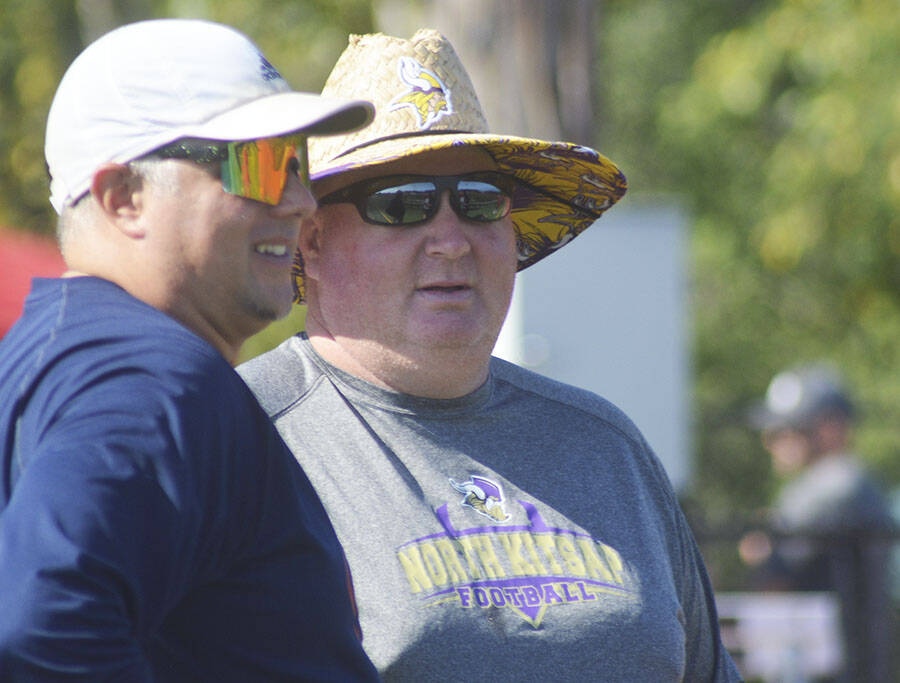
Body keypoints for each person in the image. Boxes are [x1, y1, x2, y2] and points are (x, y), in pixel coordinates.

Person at [239, 29, 740, 681]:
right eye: (401, 203)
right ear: (310, 239)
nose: (450, 238)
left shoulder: (607, 445)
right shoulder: (241, 436)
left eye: (480, 202)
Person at [0, 19, 380, 680]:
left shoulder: (66, 350)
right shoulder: (152, 379)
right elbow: (41, 623)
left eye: (298, 162)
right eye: (260, 164)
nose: (301, 200)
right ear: (125, 199)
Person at [744, 363, 895, 681]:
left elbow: (773, 577)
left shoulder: (832, 485)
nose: (770, 441)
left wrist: (761, 548)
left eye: (786, 430)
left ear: (828, 428)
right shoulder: (852, 482)